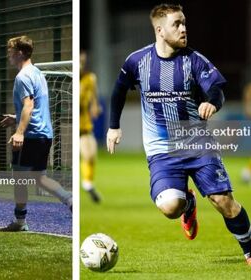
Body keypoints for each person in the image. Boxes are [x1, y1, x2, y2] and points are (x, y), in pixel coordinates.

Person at [106, 4, 251, 265]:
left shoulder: (194, 60)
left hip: (197, 144)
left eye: (184, 23)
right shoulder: (137, 61)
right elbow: (118, 91)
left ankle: (250, 250)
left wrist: (212, 103)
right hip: (162, 150)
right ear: (160, 30)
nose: (184, 28)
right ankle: (188, 205)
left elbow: (216, 89)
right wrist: (113, 126)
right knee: (170, 207)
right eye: (177, 24)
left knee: (224, 202)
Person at [0, 35, 72, 231]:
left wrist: (19, 132)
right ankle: (70, 200)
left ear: (20, 53)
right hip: (44, 134)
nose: (9, 54)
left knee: (19, 179)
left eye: (11, 51)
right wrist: (16, 118)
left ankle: (20, 222)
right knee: (39, 178)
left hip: (31, 135)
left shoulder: (23, 76)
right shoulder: (38, 73)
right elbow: (36, 107)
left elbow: (29, 106)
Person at [80, 50, 102, 202]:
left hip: (85, 125)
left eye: (83, 60)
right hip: (76, 127)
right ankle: (85, 183)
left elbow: (94, 99)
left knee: (92, 155)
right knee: (86, 155)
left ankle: (87, 183)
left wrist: (95, 107)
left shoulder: (90, 78)